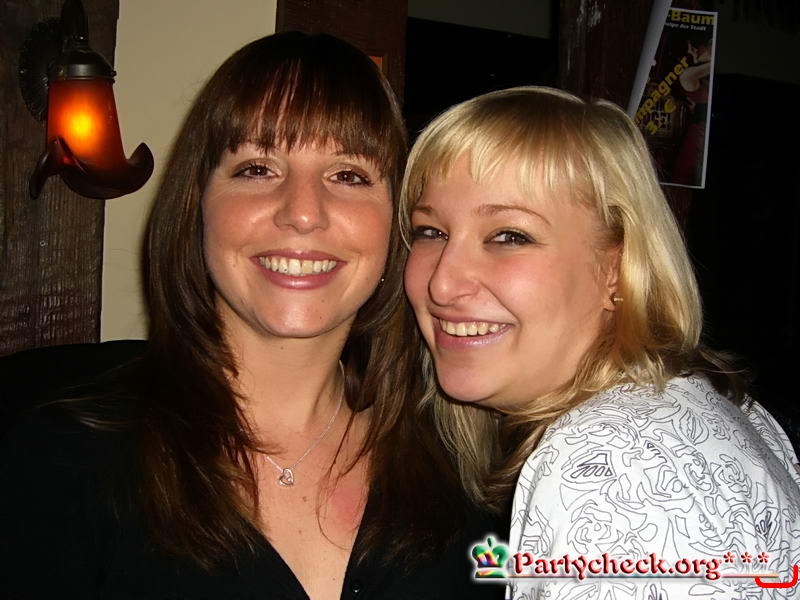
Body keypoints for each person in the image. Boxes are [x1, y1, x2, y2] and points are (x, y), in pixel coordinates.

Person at [0, 32, 504, 600]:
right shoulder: (61, 462)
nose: (304, 213)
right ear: (197, 207)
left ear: (397, 227)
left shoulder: (470, 474)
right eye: (258, 169)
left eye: (349, 175)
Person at [400, 86, 800, 599]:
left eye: (509, 236)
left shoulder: (611, 464)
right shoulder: (703, 408)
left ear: (617, 267)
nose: (442, 284)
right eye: (431, 232)